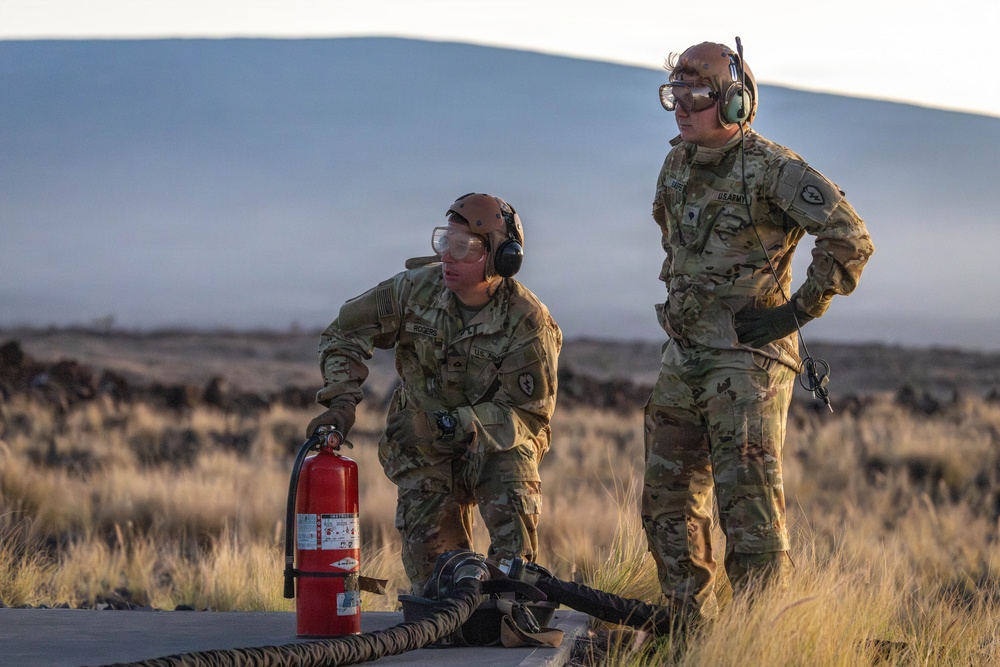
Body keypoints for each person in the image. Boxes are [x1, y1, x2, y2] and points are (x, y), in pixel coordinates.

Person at [643, 41, 874, 623]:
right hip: (686, 356)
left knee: (749, 513)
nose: (683, 106)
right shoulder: (677, 164)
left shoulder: (774, 169)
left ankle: (761, 639)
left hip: (746, 365)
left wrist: (793, 314)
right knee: (667, 504)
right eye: (676, 93)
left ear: (736, 102)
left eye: (699, 94)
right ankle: (688, 630)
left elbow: (850, 238)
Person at [307, 193, 562, 594]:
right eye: (444, 242)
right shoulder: (413, 291)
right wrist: (341, 401)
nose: (447, 257)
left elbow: (530, 416)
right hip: (424, 450)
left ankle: (510, 604)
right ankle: (449, 611)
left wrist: (451, 423)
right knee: (440, 586)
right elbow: (343, 333)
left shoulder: (528, 321)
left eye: (463, 248)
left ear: (501, 258)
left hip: (494, 450)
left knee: (510, 565)